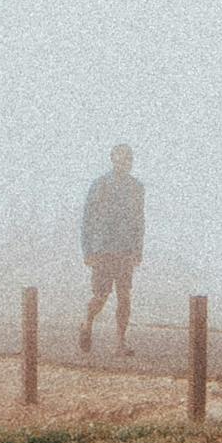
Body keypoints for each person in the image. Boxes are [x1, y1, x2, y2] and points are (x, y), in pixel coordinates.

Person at [78, 145, 144, 356]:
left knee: (124, 296)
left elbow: (139, 220)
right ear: (113, 160)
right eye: (121, 158)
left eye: (128, 159)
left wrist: (137, 248)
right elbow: (88, 219)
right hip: (103, 249)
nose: (124, 163)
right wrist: (88, 250)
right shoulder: (100, 185)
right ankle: (87, 323)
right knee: (101, 295)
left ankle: (120, 343)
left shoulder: (136, 187)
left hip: (125, 250)